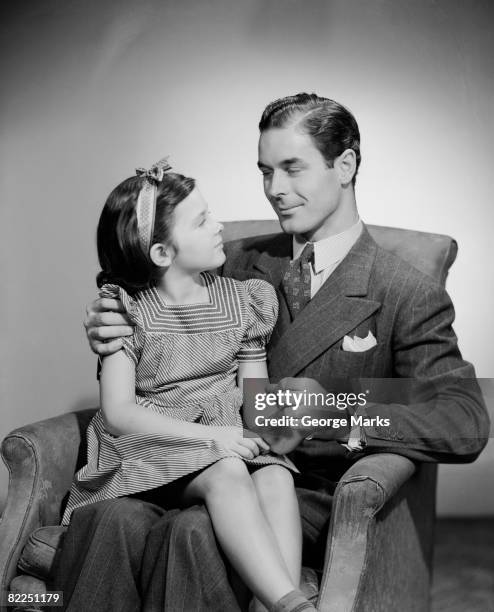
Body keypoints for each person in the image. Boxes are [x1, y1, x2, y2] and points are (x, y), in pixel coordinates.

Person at [57, 93, 490, 610]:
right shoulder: (230, 259)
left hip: (310, 488)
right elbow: (158, 319)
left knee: (196, 532)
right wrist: (106, 323)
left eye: (292, 169)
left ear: (345, 164)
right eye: (265, 171)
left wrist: (331, 409)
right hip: (194, 460)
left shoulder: (407, 291)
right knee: (113, 521)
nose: (274, 190)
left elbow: (463, 419)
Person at [57, 158, 317, 612]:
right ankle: (292, 605)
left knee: (275, 474)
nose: (219, 227)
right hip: (156, 441)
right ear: (161, 253)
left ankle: (276, 600)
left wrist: (270, 428)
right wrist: (215, 436)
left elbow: (253, 401)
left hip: (225, 431)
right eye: (202, 221)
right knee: (228, 471)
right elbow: (120, 413)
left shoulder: (243, 300)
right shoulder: (126, 312)